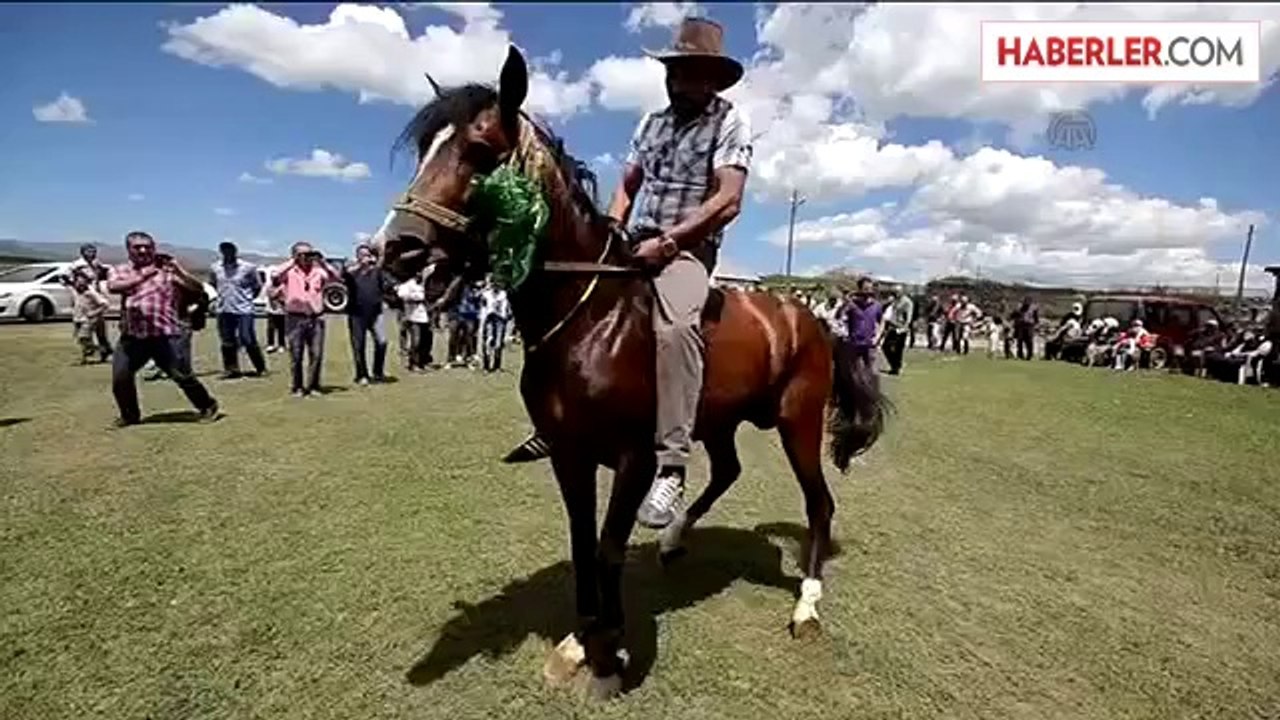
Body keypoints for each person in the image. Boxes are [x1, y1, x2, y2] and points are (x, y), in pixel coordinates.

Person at [504, 17, 752, 531]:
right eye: (674, 73)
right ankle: (557, 424)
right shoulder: (650, 123)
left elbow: (728, 199)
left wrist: (672, 240)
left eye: (691, 74)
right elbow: (628, 184)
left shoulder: (730, 122)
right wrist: (613, 225)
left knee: (676, 326)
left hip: (687, 250)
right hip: (634, 240)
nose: (680, 83)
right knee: (571, 311)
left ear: (712, 78)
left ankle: (672, 464)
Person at [105, 231, 219, 426]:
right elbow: (114, 287)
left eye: (147, 247)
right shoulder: (120, 270)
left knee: (182, 375)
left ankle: (208, 405)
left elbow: (197, 289)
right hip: (133, 336)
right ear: (128, 250)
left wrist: (178, 270)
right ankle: (130, 415)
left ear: (154, 249)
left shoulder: (167, 271)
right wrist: (144, 274)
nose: (143, 250)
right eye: (137, 247)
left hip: (164, 336)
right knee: (120, 377)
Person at [272, 242, 340, 397]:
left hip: (316, 318)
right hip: (295, 318)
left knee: (316, 354)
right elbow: (275, 275)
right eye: (301, 253)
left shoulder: (318, 271)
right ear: (294, 255)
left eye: (309, 253)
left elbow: (335, 277)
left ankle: (314, 386)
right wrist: (293, 261)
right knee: (296, 355)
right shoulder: (289, 272)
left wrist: (322, 261)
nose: (306, 257)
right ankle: (297, 387)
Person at [209, 241, 266, 379]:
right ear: (221, 252)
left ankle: (260, 367)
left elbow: (257, 286)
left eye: (230, 250)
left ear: (235, 251)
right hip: (224, 309)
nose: (227, 252)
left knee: (247, 338)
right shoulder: (215, 267)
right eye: (224, 250)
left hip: (244, 310)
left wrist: (247, 299)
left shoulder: (248, 268)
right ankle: (231, 369)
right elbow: (214, 284)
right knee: (227, 341)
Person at [342, 243, 393, 385]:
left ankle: (378, 372)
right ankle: (361, 375)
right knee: (359, 345)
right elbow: (343, 276)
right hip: (356, 313)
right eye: (363, 254)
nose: (366, 257)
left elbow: (387, 285)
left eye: (368, 254)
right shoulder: (352, 273)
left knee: (382, 342)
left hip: (376, 313)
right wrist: (359, 266)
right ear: (357, 256)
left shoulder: (377, 272)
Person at [68, 242, 113, 361]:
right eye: (89, 251)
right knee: (84, 327)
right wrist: (75, 288)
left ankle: (105, 351)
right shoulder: (76, 265)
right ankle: (89, 351)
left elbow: (104, 272)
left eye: (93, 251)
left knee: (100, 328)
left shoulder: (96, 263)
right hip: (83, 296)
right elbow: (67, 280)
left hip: (95, 295)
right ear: (83, 252)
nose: (92, 254)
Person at [841, 277, 884, 371]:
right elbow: (840, 318)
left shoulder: (877, 305)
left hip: (870, 345)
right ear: (859, 289)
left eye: (870, 289)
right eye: (865, 289)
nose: (868, 292)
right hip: (854, 344)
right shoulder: (852, 305)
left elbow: (882, 321)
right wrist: (846, 301)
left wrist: (877, 337)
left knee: (871, 373)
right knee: (854, 373)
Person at [397, 268, 433, 372]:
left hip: (425, 316)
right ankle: (413, 363)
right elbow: (402, 295)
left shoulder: (425, 284)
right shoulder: (408, 285)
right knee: (416, 341)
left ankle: (423, 362)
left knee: (425, 341)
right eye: (418, 272)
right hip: (413, 316)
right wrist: (416, 297)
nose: (420, 274)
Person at [70, 273, 110, 364]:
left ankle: (100, 350)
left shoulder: (91, 293)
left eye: (82, 282)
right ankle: (85, 358)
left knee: (83, 338)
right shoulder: (76, 293)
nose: (79, 284)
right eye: (77, 282)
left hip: (89, 320)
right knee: (82, 340)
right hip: (78, 319)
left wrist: (94, 313)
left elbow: (105, 304)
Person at [479, 276, 512, 373]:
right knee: (488, 342)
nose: (496, 286)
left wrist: (507, 315)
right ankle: (486, 365)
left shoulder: (504, 295)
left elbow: (507, 309)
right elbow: (482, 306)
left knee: (498, 343)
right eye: (494, 284)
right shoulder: (486, 295)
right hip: (489, 319)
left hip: (500, 320)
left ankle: (497, 365)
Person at [880, 286, 913, 375]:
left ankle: (896, 368)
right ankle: (895, 365)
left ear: (902, 291)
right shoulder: (895, 301)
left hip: (901, 328)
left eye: (897, 291)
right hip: (892, 327)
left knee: (898, 349)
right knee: (885, 347)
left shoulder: (907, 302)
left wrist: (905, 327)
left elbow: (909, 316)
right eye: (894, 292)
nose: (895, 293)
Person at [1011, 295, 1039, 360]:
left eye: (1028, 302)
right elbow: (1013, 315)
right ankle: (1020, 355)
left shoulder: (1034, 308)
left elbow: (1036, 317)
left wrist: (1036, 324)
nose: (1026, 303)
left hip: (1029, 326)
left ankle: (1029, 355)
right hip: (1021, 326)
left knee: (1029, 341)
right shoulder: (1019, 307)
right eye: (1025, 302)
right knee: (1020, 340)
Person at [264, 280, 286, 353]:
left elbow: (285, 297)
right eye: (273, 277)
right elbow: (271, 295)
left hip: (282, 311)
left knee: (281, 329)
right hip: (271, 311)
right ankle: (270, 344)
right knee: (270, 328)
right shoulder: (269, 286)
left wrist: (281, 296)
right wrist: (278, 291)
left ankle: (281, 345)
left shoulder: (284, 285)